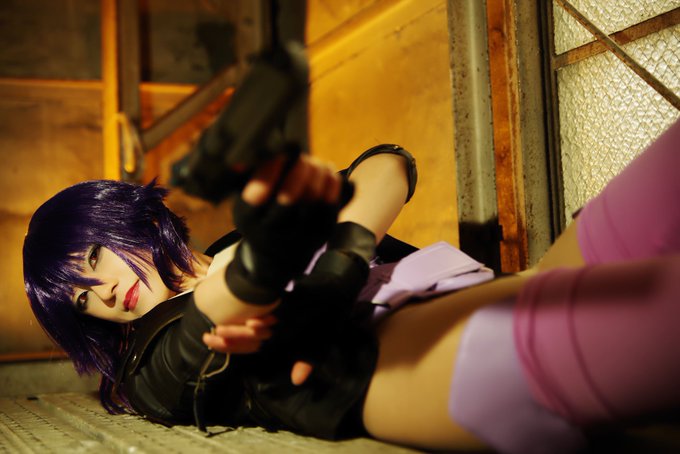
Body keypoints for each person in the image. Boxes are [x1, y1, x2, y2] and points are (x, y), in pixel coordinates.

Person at [23, 119, 680, 453]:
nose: (102, 293)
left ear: (130, 218)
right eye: (81, 298)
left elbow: (389, 166)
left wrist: (339, 258)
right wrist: (268, 261)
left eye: (95, 259)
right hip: (446, 362)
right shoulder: (144, 367)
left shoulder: (239, 242)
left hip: (521, 287)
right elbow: (210, 318)